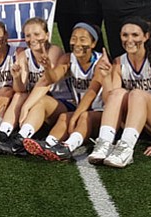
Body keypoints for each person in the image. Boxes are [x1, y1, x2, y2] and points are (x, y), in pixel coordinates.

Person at [88, 17, 151, 168]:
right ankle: (104, 144)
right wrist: (106, 77)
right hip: (140, 123)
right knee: (118, 93)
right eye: (125, 35)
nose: (129, 39)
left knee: (136, 94)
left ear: (146, 37)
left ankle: (126, 150)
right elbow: (111, 101)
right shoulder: (119, 62)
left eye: (135, 35)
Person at [12, 23, 103, 157]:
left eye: (82, 39)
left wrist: (74, 118)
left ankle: (67, 147)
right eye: (74, 38)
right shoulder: (68, 58)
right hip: (78, 107)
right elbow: (53, 78)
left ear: (93, 43)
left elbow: (91, 93)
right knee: (55, 111)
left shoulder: (101, 61)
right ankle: (33, 141)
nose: (77, 43)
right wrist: (48, 67)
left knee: (83, 117)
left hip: (100, 112)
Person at [0, 18, 64, 154]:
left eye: (37, 34)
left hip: (60, 104)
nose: (32, 39)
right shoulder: (24, 55)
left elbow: (46, 83)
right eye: (28, 35)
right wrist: (17, 77)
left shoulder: (54, 51)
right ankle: (2, 133)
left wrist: (26, 107)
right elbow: (21, 89)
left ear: (47, 35)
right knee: (19, 94)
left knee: (40, 100)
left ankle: (20, 139)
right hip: (35, 109)